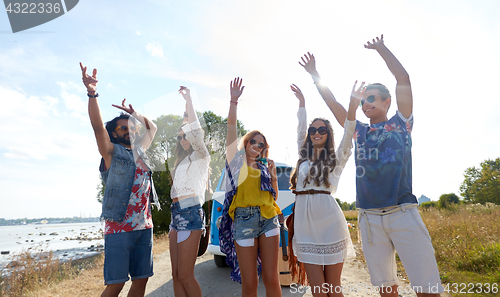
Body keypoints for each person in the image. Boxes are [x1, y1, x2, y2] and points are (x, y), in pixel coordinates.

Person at [299, 35, 443, 297]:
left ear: (388, 101)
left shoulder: (402, 124)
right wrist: (314, 74)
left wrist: (381, 49)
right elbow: (334, 104)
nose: (366, 104)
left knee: (427, 289)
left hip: (403, 212)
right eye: (363, 100)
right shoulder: (358, 131)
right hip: (369, 218)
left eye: (373, 98)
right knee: (386, 289)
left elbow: (403, 80)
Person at [80, 62, 160, 297]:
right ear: (114, 133)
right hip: (119, 229)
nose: (129, 130)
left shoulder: (141, 152)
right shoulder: (111, 153)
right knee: (116, 284)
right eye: (122, 128)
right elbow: (97, 128)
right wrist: (92, 93)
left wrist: (135, 114)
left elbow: (152, 128)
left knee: (141, 281)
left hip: (144, 227)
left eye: (131, 127)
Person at [288, 83, 360, 297]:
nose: (316, 133)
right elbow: (300, 129)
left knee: (334, 288)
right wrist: (302, 103)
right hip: (305, 225)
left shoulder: (336, 158)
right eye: (313, 130)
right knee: (317, 290)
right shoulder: (303, 155)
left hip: (330, 222)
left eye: (322, 130)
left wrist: (352, 108)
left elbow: (349, 134)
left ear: (328, 134)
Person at [219, 77, 282, 297]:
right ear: (246, 143)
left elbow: (273, 195)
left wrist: (272, 174)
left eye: (261, 144)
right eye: (253, 141)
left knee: (272, 278)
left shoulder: (265, 166)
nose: (257, 146)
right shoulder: (236, 163)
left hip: (268, 217)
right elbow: (230, 131)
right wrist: (233, 102)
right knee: (250, 282)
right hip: (244, 219)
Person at [169, 86, 211, 297]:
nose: (183, 139)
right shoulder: (181, 161)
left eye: (185, 135)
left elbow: (194, 129)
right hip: (175, 214)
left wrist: (189, 100)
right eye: (180, 137)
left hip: (190, 213)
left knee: (186, 275)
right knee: (176, 275)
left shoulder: (201, 155)